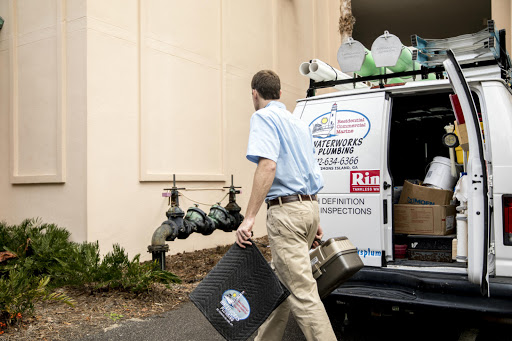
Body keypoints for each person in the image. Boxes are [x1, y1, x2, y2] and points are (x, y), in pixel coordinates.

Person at [235, 70, 337, 341]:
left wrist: (249, 218)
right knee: (278, 285)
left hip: (287, 212)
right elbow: (306, 172)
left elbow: (267, 165)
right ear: (280, 93)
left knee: (303, 294)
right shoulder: (298, 124)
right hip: (308, 209)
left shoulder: (263, 117)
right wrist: (311, 220)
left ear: (254, 93)